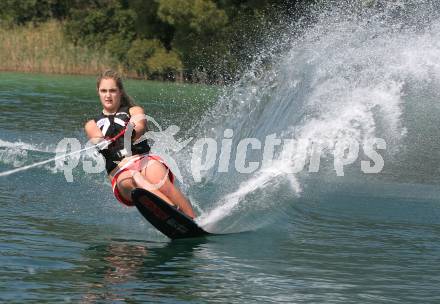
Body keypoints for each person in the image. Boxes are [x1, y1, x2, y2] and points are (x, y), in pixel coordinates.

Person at [84, 69, 195, 218]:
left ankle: (195, 220)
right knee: (136, 177)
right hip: (120, 172)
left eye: (112, 90)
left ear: (120, 92)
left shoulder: (134, 110)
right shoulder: (91, 124)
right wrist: (103, 141)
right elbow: (96, 137)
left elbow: (140, 125)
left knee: (163, 183)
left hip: (143, 160)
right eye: (103, 91)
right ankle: (174, 212)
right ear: (98, 92)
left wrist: (132, 132)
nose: (108, 95)